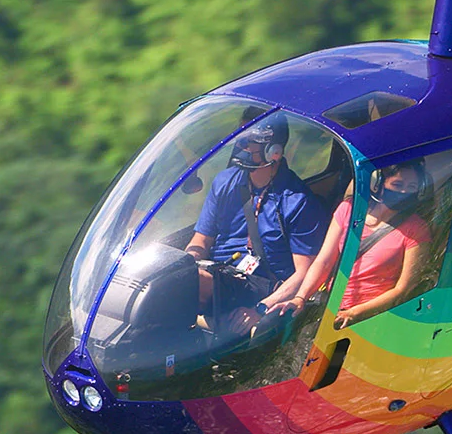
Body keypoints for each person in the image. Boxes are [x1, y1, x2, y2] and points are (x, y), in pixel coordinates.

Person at [184, 112, 326, 336]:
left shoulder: (297, 201)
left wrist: (261, 308)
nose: (243, 147)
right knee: (173, 281)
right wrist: (185, 264)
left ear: (274, 151)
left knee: (191, 285)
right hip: (221, 272)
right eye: (242, 139)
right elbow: (201, 240)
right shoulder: (224, 182)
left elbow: (305, 273)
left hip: (265, 284)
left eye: (251, 142)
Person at [283, 160, 430, 328]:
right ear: (377, 184)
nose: (404, 191)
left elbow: (403, 288)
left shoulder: (416, 229)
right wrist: (300, 298)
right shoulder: (349, 210)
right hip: (331, 304)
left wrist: (355, 312)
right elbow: (323, 261)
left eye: (411, 187)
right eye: (397, 184)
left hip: (369, 318)